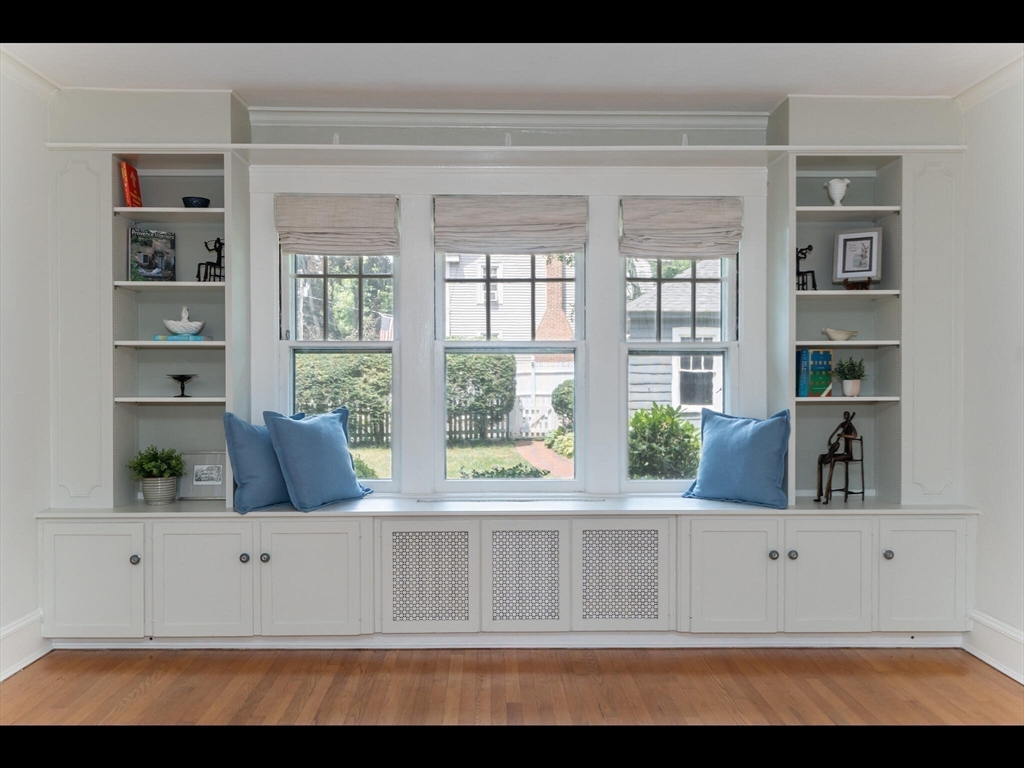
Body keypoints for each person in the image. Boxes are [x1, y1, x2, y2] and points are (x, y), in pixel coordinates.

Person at [814, 411, 857, 504]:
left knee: (833, 459)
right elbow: (833, 433)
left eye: (847, 415)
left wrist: (843, 435)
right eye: (845, 415)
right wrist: (830, 439)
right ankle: (819, 494)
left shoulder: (850, 424)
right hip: (843, 453)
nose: (846, 416)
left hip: (848, 454)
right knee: (820, 457)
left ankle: (826, 496)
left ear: (849, 416)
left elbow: (855, 435)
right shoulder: (842, 424)